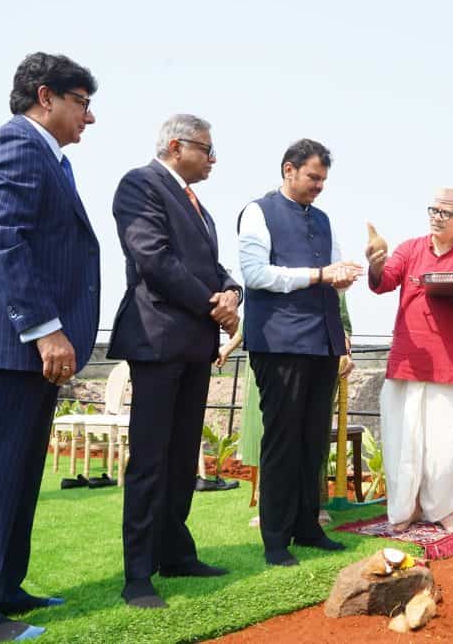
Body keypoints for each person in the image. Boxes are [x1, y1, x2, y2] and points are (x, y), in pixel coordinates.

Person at [0, 52, 100, 642]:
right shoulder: (14, 146)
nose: (90, 116)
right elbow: (4, 242)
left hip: (22, 349)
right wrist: (45, 328)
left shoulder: (47, 157)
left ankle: (4, 589)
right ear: (45, 95)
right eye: (82, 101)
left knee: (18, 477)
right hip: (4, 344)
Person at [107, 114, 242, 609]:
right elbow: (154, 260)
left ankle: (174, 553)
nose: (212, 158)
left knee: (183, 455)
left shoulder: (198, 207)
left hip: (194, 345)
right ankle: (138, 574)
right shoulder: (140, 185)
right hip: (157, 338)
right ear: (176, 144)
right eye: (206, 149)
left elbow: (215, 268)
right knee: (150, 459)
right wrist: (215, 303)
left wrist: (233, 293)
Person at [237, 138, 362, 566]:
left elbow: (332, 270)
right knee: (282, 439)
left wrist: (343, 276)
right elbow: (254, 274)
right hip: (280, 342)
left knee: (313, 440)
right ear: (288, 170)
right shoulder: (258, 212)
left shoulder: (323, 220)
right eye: (313, 177)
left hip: (322, 341)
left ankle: (308, 526)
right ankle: (275, 539)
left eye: (324, 180)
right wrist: (318, 275)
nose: (319, 186)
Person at [367, 188, 453, 533]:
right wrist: (376, 262)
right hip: (408, 362)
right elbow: (383, 283)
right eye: (434, 210)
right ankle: (402, 511)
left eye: (446, 213)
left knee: (446, 448)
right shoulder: (410, 249)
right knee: (401, 443)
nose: (437, 217)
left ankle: (441, 510)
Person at [217, 291, 355, 522]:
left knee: (311, 436)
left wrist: (345, 350)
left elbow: (342, 324)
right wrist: (227, 348)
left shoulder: (331, 278)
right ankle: (272, 510)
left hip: (318, 361)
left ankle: (312, 508)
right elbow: (251, 320)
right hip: (273, 360)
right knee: (275, 434)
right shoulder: (269, 274)